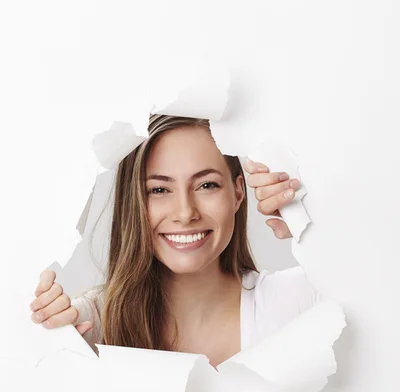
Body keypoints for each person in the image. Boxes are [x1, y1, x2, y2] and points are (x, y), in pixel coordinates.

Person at [29, 114, 320, 368]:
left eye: (207, 185)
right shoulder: (93, 323)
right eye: (158, 190)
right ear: (133, 203)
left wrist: (315, 230)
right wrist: (53, 340)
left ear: (238, 192)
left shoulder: (296, 302)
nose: (185, 213)